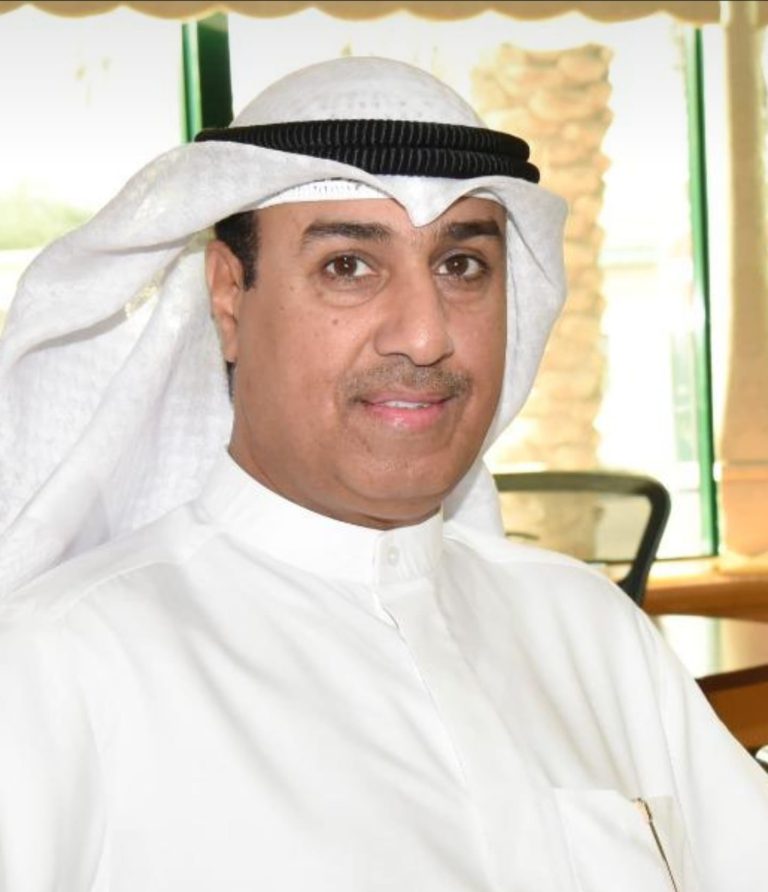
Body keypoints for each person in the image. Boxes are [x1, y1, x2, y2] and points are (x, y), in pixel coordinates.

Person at [0, 56, 765, 892]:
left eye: (461, 265)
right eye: (348, 267)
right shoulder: (59, 666)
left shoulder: (591, 632)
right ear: (229, 296)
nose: (425, 334)